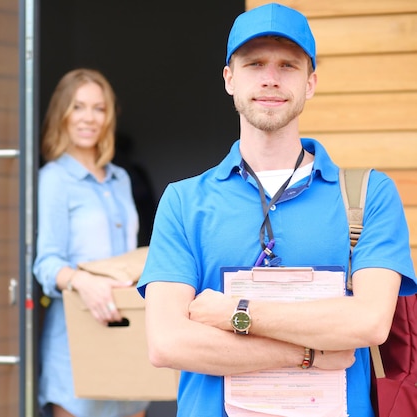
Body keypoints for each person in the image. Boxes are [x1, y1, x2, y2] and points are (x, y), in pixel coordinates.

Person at [137, 3, 417, 417]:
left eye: (288, 65)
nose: (270, 79)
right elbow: (168, 342)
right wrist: (309, 352)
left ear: (311, 82)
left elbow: (369, 323)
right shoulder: (184, 201)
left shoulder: (366, 195)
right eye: (254, 64)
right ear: (229, 79)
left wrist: (234, 312)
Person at [33, 68, 149, 417]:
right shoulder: (54, 179)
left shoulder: (121, 179)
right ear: (62, 115)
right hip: (76, 336)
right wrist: (85, 282)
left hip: (127, 331)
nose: (89, 118)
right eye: (78, 107)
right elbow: (45, 264)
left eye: (98, 108)